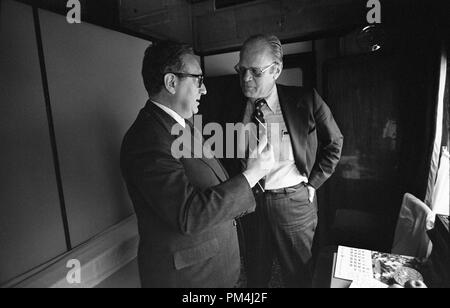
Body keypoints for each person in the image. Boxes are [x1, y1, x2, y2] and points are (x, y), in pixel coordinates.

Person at [120, 41, 275, 288]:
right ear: (171, 83)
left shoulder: (185, 125)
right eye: (198, 80)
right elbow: (189, 215)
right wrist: (252, 174)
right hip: (190, 279)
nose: (204, 90)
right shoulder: (146, 140)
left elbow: (209, 179)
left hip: (214, 267)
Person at [225, 34, 344, 287]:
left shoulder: (307, 99)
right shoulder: (228, 105)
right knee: (255, 275)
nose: (246, 78)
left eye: (256, 72)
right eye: (242, 69)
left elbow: (335, 143)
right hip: (250, 204)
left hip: (293, 202)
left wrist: (313, 184)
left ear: (276, 70)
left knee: (298, 276)